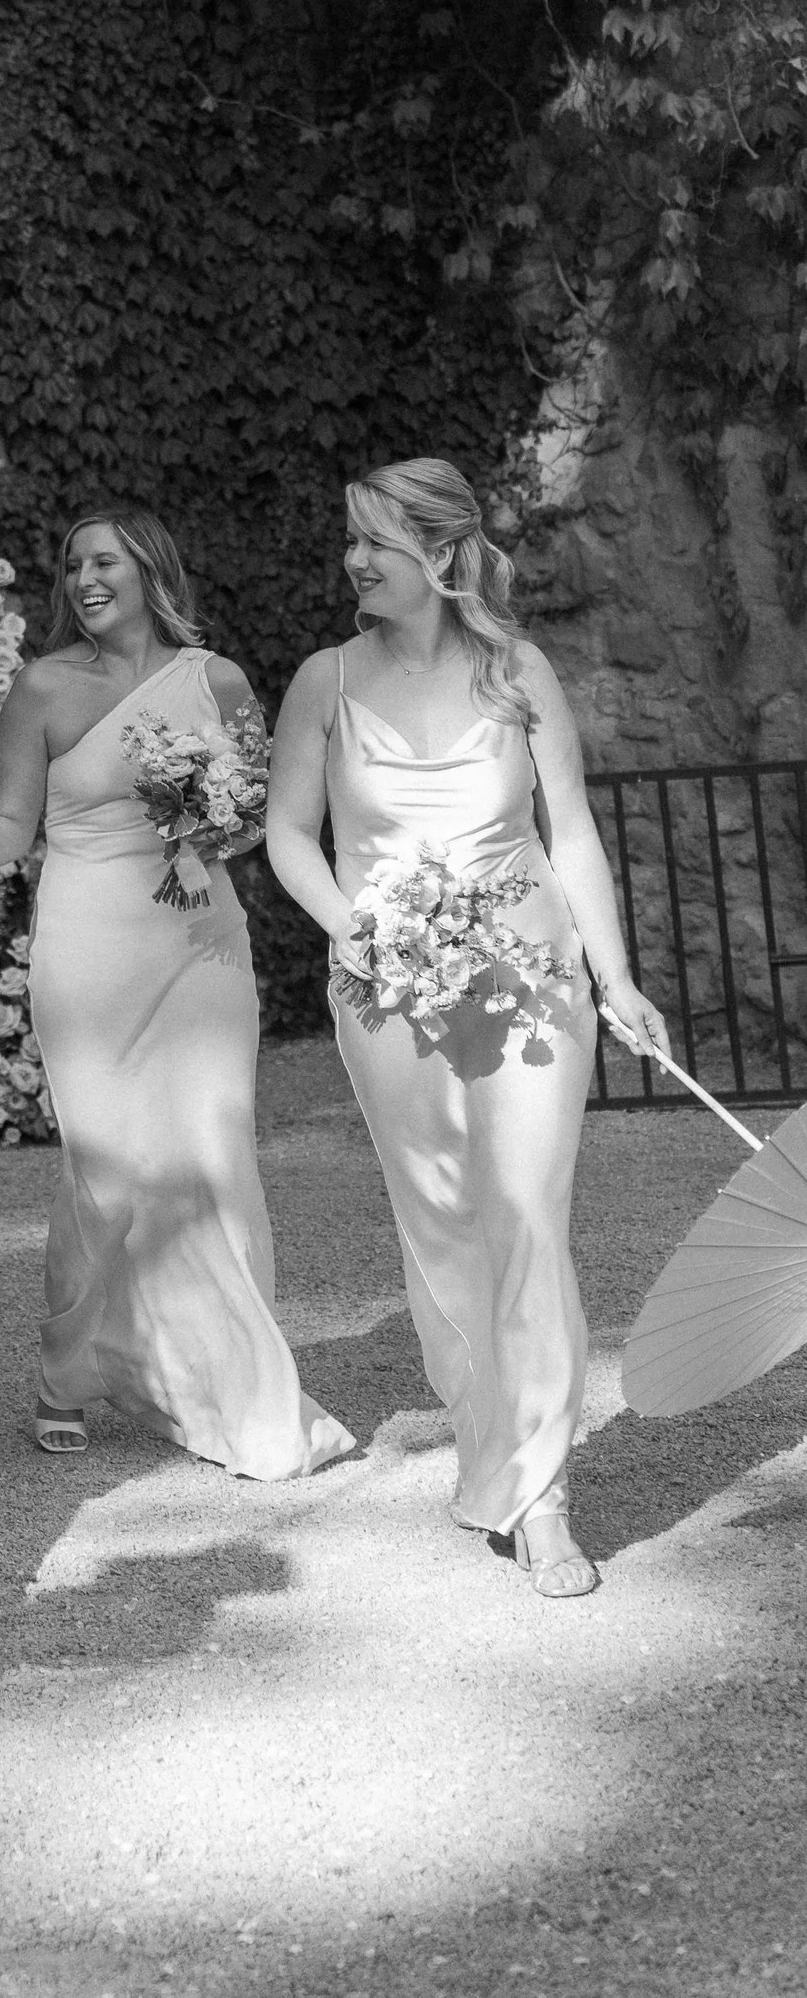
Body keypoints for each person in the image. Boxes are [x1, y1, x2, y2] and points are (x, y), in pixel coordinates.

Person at [265, 457, 673, 1598]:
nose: (354, 559)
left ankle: (543, 1493)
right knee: (443, 1221)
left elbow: (571, 831)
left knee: (526, 1213)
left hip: (529, 975)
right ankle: (489, 1445)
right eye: (351, 537)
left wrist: (615, 976)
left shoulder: (517, 669)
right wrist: (357, 931)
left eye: (377, 540)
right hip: (385, 988)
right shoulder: (323, 681)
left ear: (441, 554)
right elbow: (289, 834)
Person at [0, 507, 351, 1479]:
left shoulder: (219, 681)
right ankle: (67, 1367)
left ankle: (236, 1389)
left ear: (149, 569)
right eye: (72, 564)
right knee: (106, 1169)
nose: (84, 579)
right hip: (86, 944)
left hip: (200, 941)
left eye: (104, 561)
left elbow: (261, 813)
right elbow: (14, 822)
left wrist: (215, 823)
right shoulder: (42, 685)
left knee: (214, 1150)